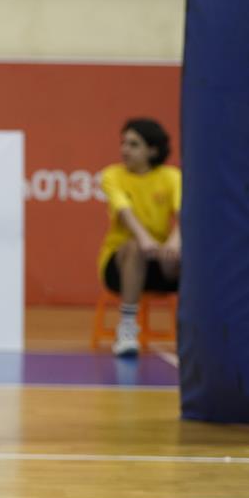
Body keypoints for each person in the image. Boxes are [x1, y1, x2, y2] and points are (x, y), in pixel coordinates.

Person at [98, 118, 181, 358]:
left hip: (161, 260)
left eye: (133, 144)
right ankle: (127, 329)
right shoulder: (112, 175)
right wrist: (145, 240)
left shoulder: (171, 177)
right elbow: (124, 212)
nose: (125, 149)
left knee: (191, 253)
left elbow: (183, 214)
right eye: (123, 143)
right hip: (119, 264)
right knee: (135, 247)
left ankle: (194, 331)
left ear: (152, 150)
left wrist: (174, 244)